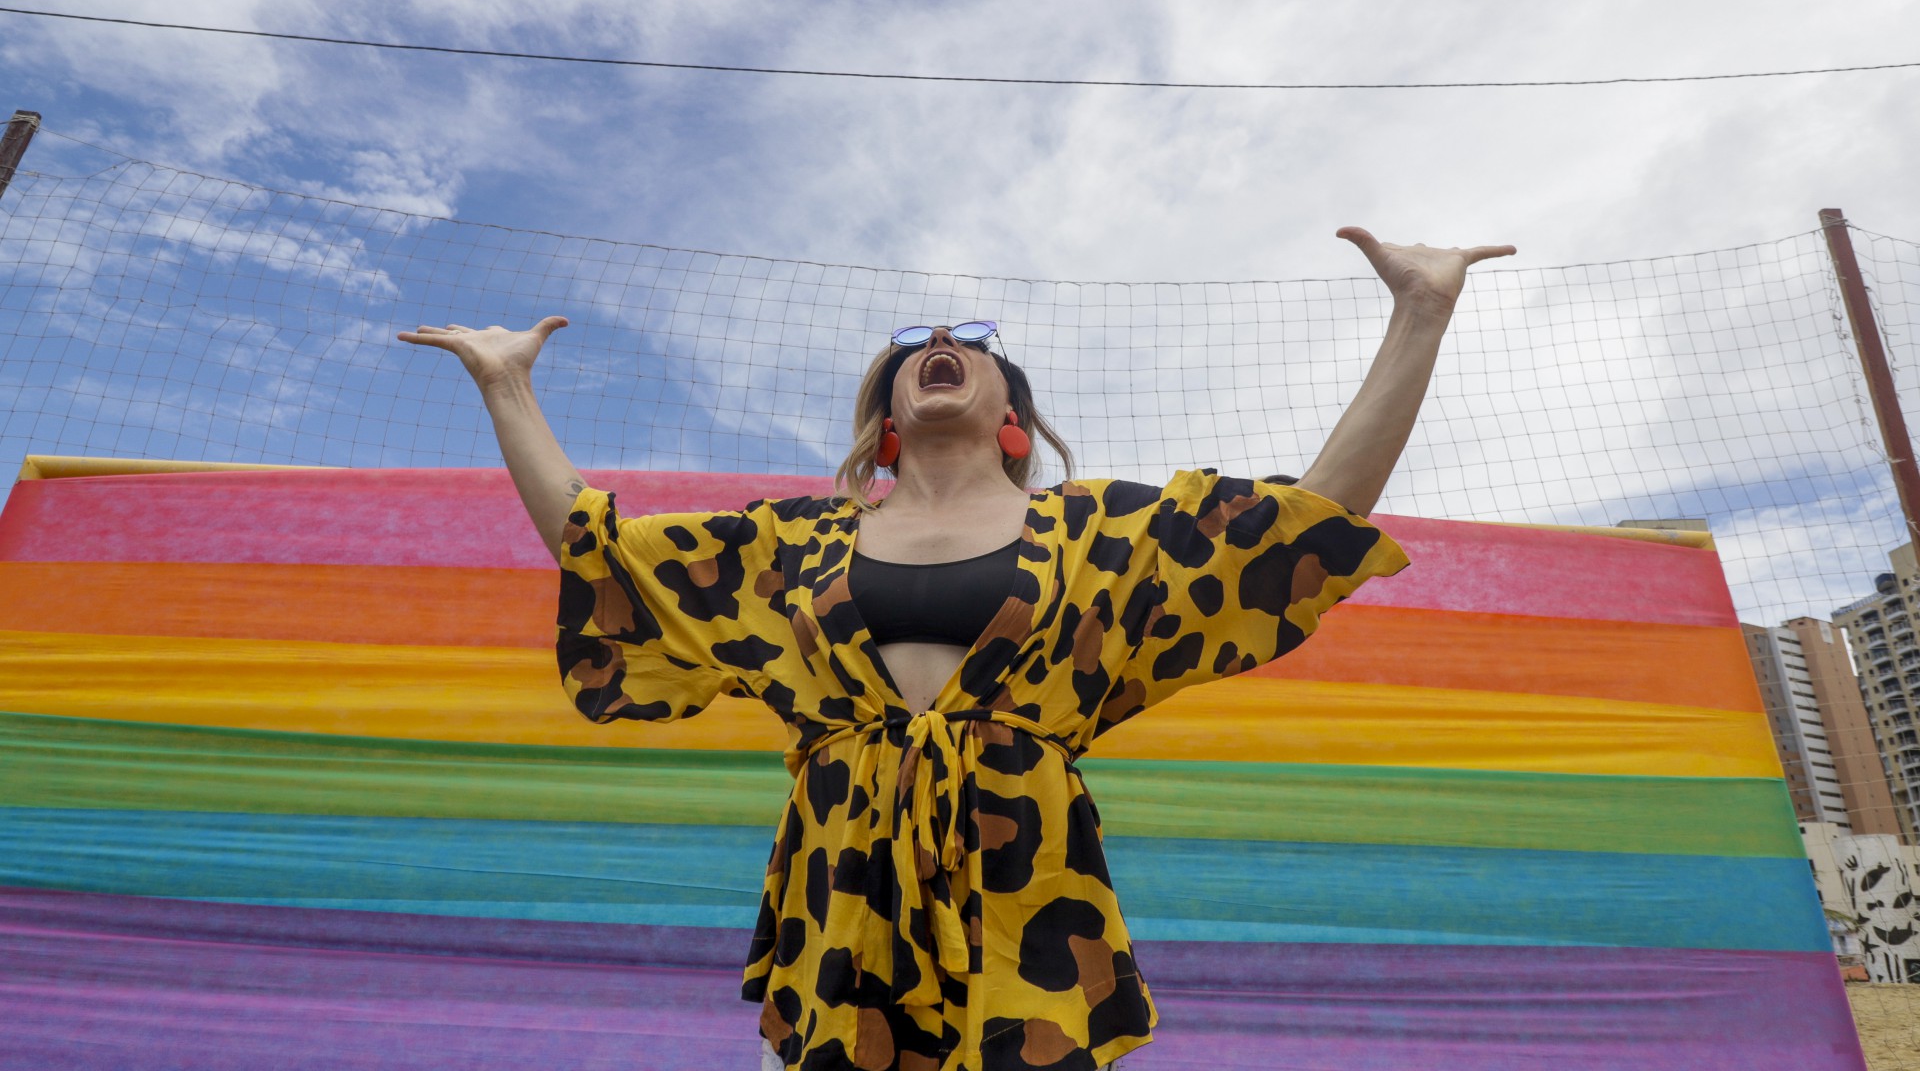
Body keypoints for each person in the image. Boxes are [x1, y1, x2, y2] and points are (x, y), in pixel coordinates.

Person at [399, 227, 1513, 1071]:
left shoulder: (1098, 536)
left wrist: (1420, 312)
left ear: (1010, 411)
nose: (941, 345)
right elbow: (607, 553)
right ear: (885, 409)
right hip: (847, 875)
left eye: (972, 342)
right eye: (914, 344)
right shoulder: (794, 544)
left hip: (1025, 880)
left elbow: (1299, 529)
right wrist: (507, 389)